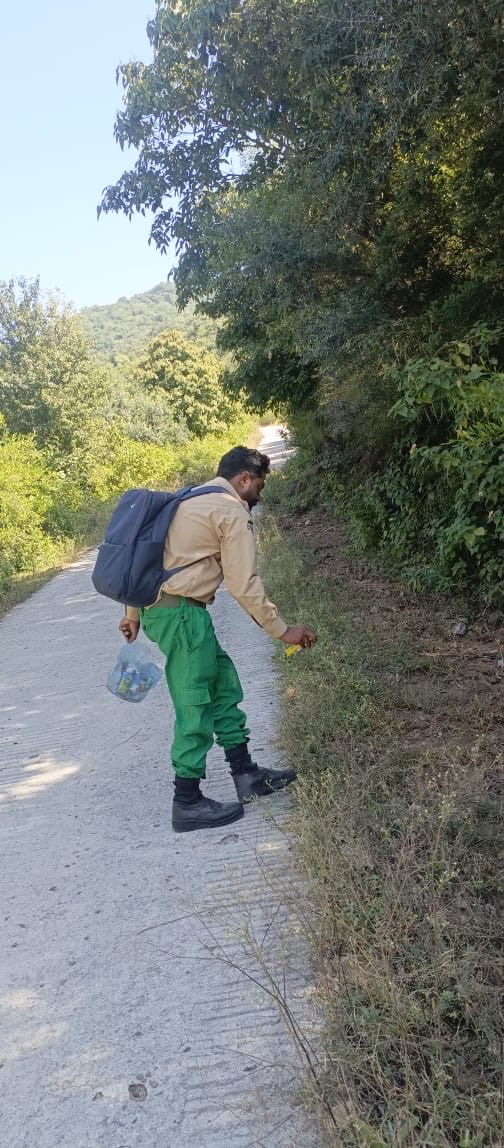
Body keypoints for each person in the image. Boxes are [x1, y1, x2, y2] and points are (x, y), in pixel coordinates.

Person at [119, 446, 317, 832]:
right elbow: (243, 584)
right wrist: (281, 630)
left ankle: (246, 775)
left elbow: (147, 556)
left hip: (170, 611)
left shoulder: (190, 497)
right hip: (181, 616)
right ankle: (187, 801)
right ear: (244, 479)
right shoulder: (229, 511)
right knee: (195, 703)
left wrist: (131, 614)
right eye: (258, 485)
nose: (259, 495)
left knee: (223, 687)